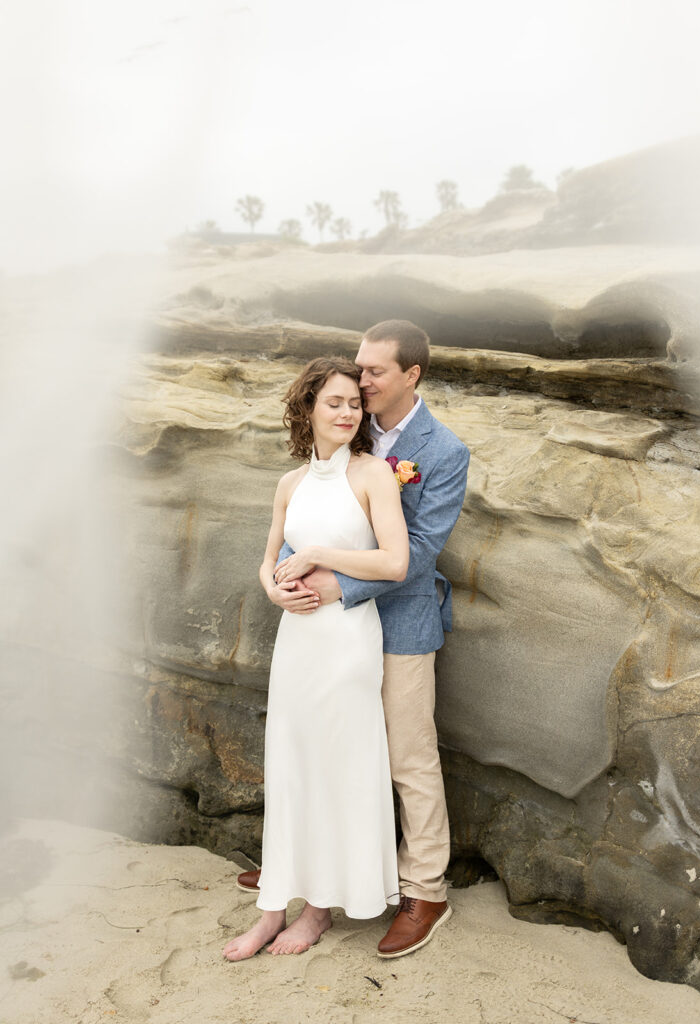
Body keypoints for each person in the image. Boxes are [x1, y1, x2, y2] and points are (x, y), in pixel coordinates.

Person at [235, 320, 471, 959]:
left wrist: (337, 586)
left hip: (400, 626)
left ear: (410, 375)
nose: (361, 381)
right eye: (356, 370)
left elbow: (416, 551)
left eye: (373, 372)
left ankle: (424, 891)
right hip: (327, 630)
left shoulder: (442, 451)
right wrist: (281, 582)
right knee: (320, 747)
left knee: (406, 758)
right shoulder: (346, 439)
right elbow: (297, 524)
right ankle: (312, 868)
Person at [223, 356, 409, 961]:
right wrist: (272, 587)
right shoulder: (290, 483)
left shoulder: (373, 475)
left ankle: (317, 911)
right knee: (291, 761)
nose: (348, 412)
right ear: (308, 409)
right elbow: (269, 556)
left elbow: (394, 563)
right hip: (297, 640)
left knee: (334, 763)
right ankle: (271, 907)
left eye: (355, 403)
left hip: (348, 637)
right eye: (334, 402)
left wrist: (320, 554)